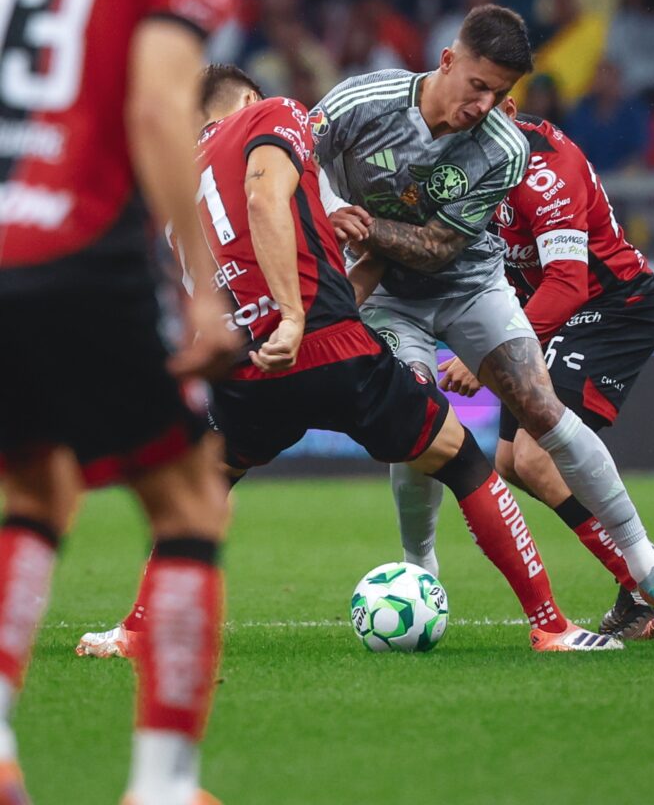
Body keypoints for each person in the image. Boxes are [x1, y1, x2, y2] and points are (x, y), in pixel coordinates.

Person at [79, 65, 620, 659]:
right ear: (250, 98)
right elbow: (264, 198)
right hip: (324, 339)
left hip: (244, 367)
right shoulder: (272, 114)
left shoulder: (181, 177)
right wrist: (290, 313)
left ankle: (136, 629)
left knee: (202, 488)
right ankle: (551, 626)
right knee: (463, 461)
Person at [311, 4, 654, 640]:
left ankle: (644, 567)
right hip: (394, 297)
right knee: (427, 425)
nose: (486, 106)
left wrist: (362, 225)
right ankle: (423, 570)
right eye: (478, 87)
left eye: (502, 94)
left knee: (540, 415)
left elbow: (447, 250)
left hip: (511, 292)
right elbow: (300, 155)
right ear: (447, 60)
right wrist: (332, 209)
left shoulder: (513, 155)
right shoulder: (366, 101)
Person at [0, 0, 242, 804]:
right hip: (88, 247)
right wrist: (199, 283)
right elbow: (156, 105)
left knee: (34, 490)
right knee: (188, 499)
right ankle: (163, 783)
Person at [438, 101, 654, 640]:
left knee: (535, 454)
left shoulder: (548, 168)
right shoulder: (458, 162)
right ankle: (646, 570)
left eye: (485, 102)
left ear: (507, 106)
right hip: (544, 314)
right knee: (510, 462)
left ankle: (648, 585)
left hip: (610, 305)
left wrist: (485, 360)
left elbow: (567, 285)